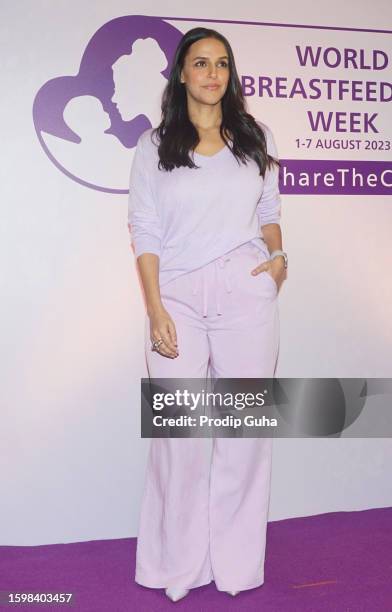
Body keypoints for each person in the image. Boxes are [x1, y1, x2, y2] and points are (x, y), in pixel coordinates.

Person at [127, 26, 288, 603]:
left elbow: (269, 210)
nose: (212, 73)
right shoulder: (153, 146)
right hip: (178, 298)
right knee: (179, 437)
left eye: (221, 63)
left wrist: (276, 256)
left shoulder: (255, 137)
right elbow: (143, 230)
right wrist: (154, 309)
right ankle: (179, 565)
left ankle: (238, 567)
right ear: (182, 73)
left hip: (245, 294)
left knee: (244, 434)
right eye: (200, 63)